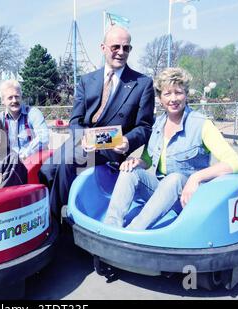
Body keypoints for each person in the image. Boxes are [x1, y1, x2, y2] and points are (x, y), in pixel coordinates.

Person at [38, 26, 155, 222]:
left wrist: (128, 140)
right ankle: (44, 213)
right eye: (115, 47)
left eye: (127, 48)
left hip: (112, 146)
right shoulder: (86, 80)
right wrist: (82, 137)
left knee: (68, 163)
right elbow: (75, 121)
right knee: (46, 169)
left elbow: (145, 126)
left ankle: (55, 222)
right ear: (103, 47)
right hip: (83, 140)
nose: (121, 52)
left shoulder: (142, 83)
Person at [103, 67, 238, 230]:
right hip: (160, 192)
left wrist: (195, 178)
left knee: (175, 178)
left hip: (188, 197)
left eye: (178, 92)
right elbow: (148, 160)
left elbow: (235, 162)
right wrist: (136, 162)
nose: (173, 99)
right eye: (167, 93)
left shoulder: (201, 124)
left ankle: (133, 232)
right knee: (129, 172)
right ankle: (111, 226)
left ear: (186, 95)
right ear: (160, 98)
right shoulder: (156, 125)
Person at [0, 79, 49, 160]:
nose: (14, 100)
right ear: (3, 101)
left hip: (32, 161)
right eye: (10, 98)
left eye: (17, 96)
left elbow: (44, 137)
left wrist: (25, 155)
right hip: (10, 164)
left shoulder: (33, 113)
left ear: (21, 97)